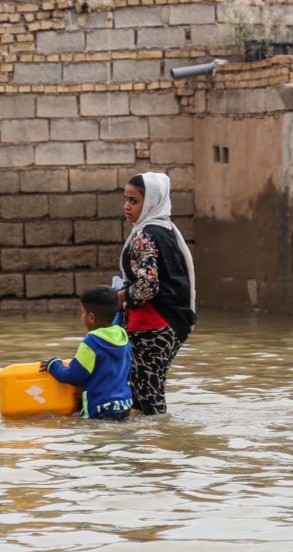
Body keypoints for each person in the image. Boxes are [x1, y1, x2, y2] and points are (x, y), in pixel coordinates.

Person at [117, 172, 196, 415]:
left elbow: (148, 287)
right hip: (172, 321)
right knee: (145, 390)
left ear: (150, 201)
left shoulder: (145, 236)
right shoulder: (166, 230)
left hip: (153, 324)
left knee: (148, 395)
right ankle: (152, 445)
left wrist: (119, 298)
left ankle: (156, 446)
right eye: (126, 200)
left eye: (134, 201)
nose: (126, 207)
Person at [41, 286, 133, 420]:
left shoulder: (92, 341)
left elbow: (74, 376)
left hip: (100, 410)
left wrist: (53, 364)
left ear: (91, 317)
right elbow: (128, 373)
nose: (82, 316)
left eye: (82, 312)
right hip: (125, 405)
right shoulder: (123, 336)